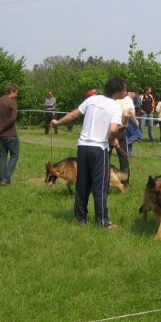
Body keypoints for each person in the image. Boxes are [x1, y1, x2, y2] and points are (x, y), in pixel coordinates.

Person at [50, 77, 125, 229]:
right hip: (99, 149)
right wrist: (113, 139)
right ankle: (103, 221)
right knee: (100, 185)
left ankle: (80, 219)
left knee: (82, 184)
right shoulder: (116, 108)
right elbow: (113, 129)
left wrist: (58, 122)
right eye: (124, 89)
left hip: (83, 148)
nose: (126, 91)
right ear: (118, 91)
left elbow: (73, 114)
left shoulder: (92, 99)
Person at [0, 83, 20, 186]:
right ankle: (6, 178)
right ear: (11, 91)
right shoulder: (12, 102)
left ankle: (2, 179)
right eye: (16, 93)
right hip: (10, 134)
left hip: (0, 136)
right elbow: (12, 118)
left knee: (2, 157)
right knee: (14, 155)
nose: (17, 95)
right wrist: (0, 128)